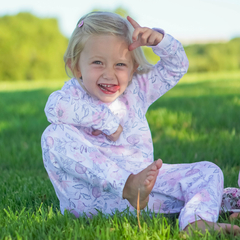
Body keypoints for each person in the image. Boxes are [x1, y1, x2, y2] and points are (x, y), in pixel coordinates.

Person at [41, 11, 240, 235]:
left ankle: (196, 221)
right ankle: (128, 186)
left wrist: (160, 42)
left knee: (209, 172)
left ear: (134, 68)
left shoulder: (137, 89)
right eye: (98, 62)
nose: (109, 74)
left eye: (120, 65)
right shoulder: (72, 95)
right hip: (90, 199)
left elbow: (177, 67)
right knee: (53, 135)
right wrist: (107, 122)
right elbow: (54, 108)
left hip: (144, 195)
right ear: (77, 67)